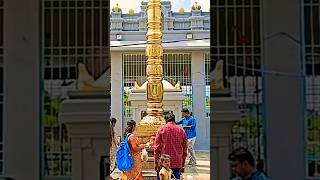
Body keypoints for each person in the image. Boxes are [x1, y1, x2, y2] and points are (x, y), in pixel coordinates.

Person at [155, 113, 188, 180]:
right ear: (174, 120)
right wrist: (183, 164)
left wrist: (156, 162)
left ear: (166, 120)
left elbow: (157, 148)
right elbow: (185, 149)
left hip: (163, 163)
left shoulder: (161, 129)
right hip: (177, 162)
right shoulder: (181, 131)